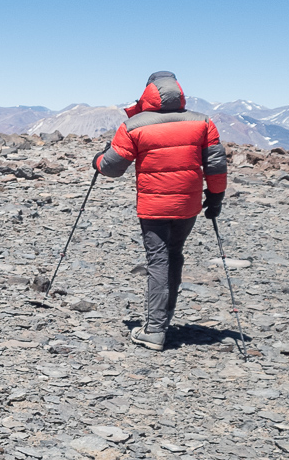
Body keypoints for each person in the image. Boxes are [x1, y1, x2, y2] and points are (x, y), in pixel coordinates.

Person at [93, 71, 227, 351]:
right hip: (187, 204)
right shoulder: (202, 122)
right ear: (179, 92)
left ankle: (155, 330)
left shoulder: (133, 126)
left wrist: (98, 160)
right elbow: (215, 165)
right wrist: (215, 198)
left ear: (148, 93)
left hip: (153, 205)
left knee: (157, 259)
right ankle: (165, 318)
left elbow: (112, 168)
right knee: (174, 254)